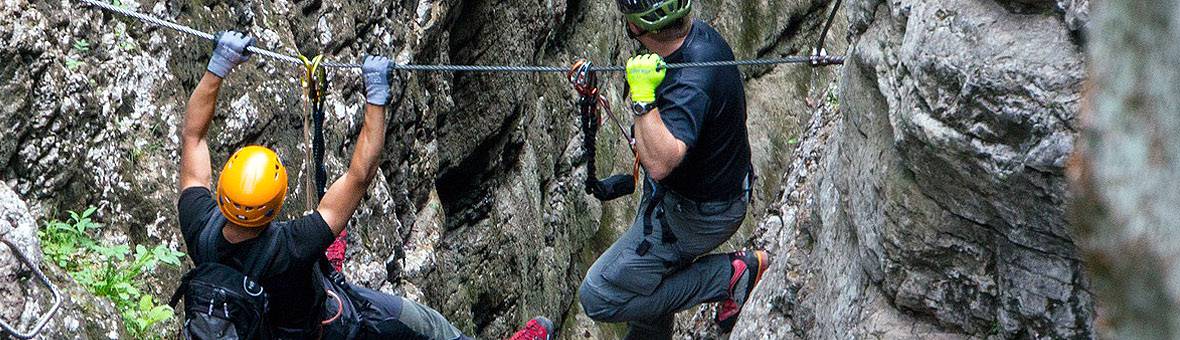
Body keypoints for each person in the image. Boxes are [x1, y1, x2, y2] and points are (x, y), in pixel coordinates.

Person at [177, 31, 554, 340]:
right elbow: (360, 175)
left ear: (222, 191)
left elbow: (193, 138)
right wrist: (376, 96)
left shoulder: (200, 227)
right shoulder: (293, 246)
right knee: (428, 327)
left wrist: (217, 68)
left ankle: (326, 270)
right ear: (275, 208)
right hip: (333, 325)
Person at [576, 0, 772, 338]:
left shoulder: (692, 80)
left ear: (637, 26)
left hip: (698, 214)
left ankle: (731, 277)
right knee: (642, 281)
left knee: (598, 296)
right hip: (702, 194)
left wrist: (642, 98)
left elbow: (661, 162)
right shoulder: (698, 41)